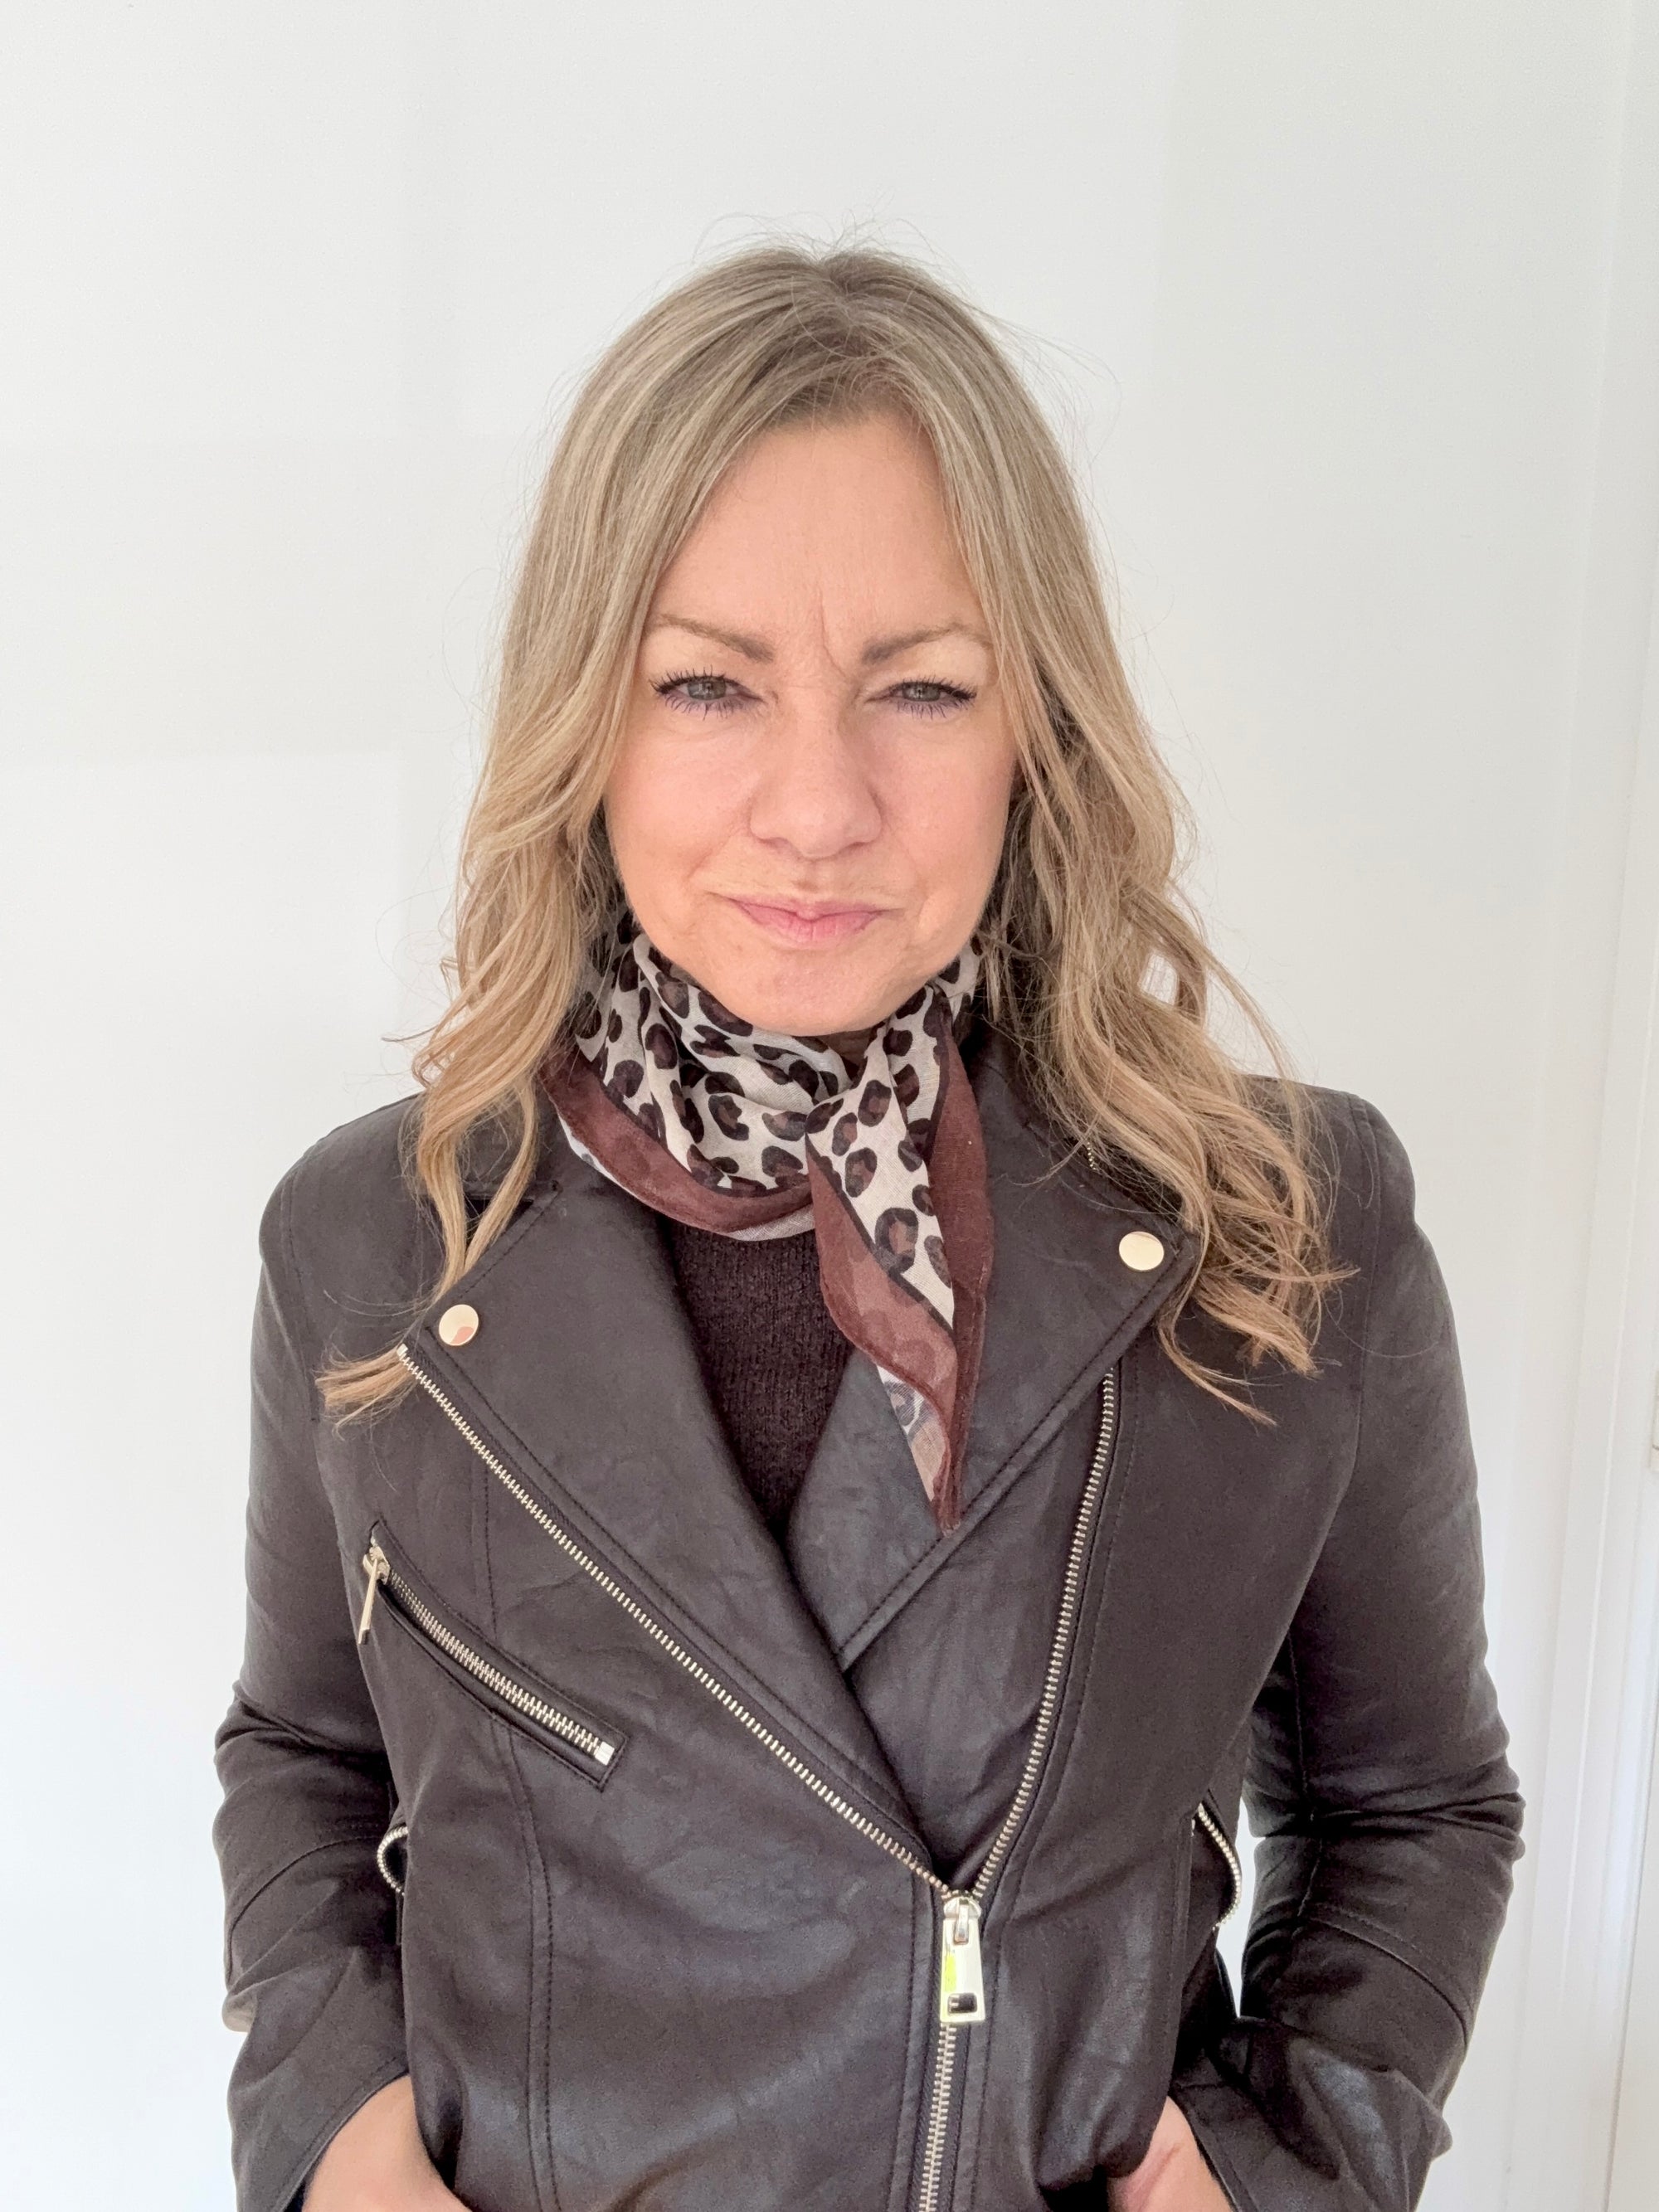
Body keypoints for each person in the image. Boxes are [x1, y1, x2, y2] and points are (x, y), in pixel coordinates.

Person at [212, 241, 1523, 2212]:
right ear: (587, 717)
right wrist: (336, 2134)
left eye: (920, 686)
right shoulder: (382, 1237)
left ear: (1033, 726)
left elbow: (1414, 1800)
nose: (816, 803)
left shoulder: (1277, 1231)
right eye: (706, 682)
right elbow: (308, 1756)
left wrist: (1282, 2168)